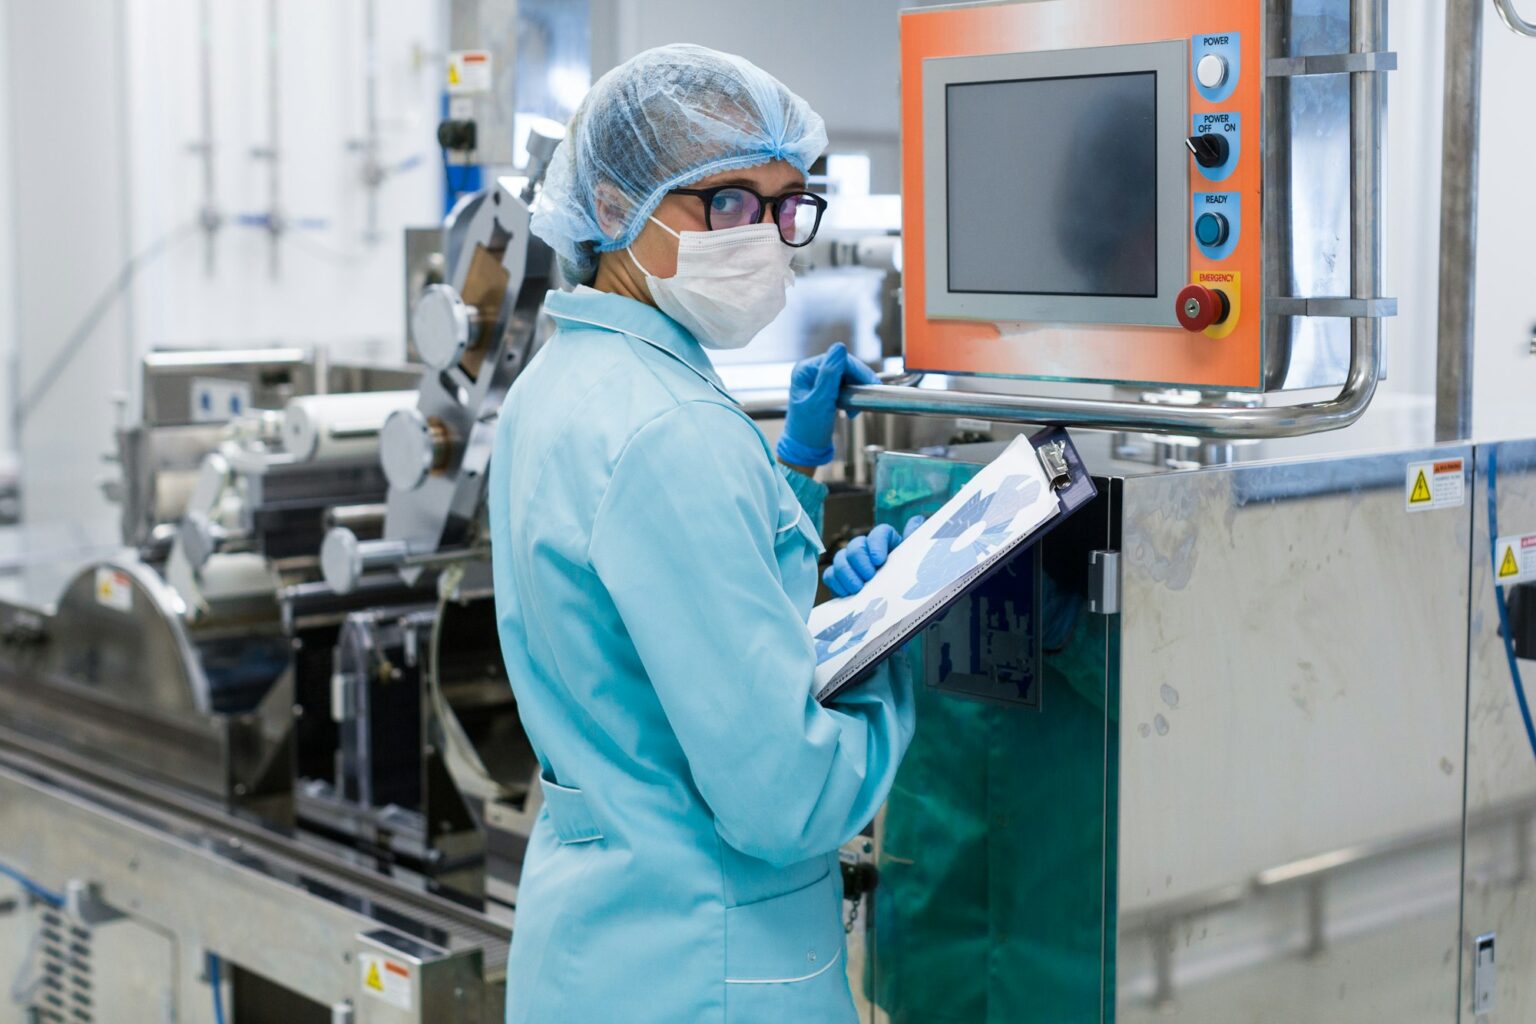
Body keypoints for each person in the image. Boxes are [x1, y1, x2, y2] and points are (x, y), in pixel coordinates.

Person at [488, 44, 917, 1023]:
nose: (766, 238)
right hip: (705, 967)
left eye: (784, 206)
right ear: (611, 208)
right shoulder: (671, 428)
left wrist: (794, 478)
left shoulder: (561, 385)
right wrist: (898, 653)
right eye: (727, 204)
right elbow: (787, 796)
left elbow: (669, 598)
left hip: (601, 954)